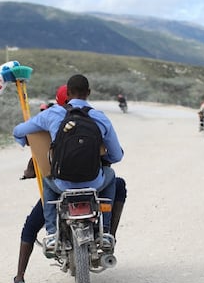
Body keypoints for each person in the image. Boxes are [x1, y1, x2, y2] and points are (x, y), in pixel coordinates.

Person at [12, 75, 124, 252]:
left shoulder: (53, 114)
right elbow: (117, 156)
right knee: (111, 176)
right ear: (88, 93)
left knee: (47, 177)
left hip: (62, 184)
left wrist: (26, 140)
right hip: (93, 183)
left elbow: (18, 131)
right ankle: (106, 231)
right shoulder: (99, 117)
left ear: (68, 93)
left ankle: (51, 233)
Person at [11, 177, 128, 283]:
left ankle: (20, 277)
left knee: (30, 227)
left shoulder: (48, 156)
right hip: (93, 188)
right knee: (117, 182)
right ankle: (107, 235)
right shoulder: (98, 156)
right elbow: (115, 157)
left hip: (62, 190)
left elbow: (33, 168)